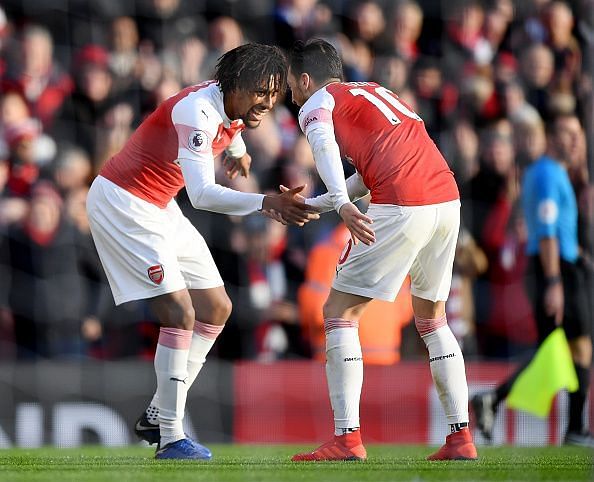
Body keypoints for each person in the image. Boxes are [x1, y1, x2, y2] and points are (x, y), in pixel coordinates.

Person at [85, 43, 319, 460]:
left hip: (159, 204)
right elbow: (203, 195)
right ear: (234, 85)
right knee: (179, 312)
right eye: (260, 92)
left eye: (273, 94)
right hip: (124, 202)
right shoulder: (196, 112)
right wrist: (266, 202)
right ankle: (172, 437)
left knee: (216, 308)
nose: (267, 103)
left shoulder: (232, 106)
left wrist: (238, 153)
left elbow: (231, 130)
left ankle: (158, 412)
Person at [283, 39, 477, 461]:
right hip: (446, 199)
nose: (291, 96)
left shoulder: (317, 102)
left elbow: (323, 148)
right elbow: (372, 170)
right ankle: (460, 437)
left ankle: (346, 439)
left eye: (291, 86)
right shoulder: (374, 92)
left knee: (338, 312)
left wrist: (339, 203)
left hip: (404, 202)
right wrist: (319, 203)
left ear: (304, 79)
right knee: (432, 318)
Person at [472, 113, 593, 447]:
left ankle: (494, 400)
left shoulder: (552, 173)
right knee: (578, 346)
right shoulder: (548, 174)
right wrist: (555, 281)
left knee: (555, 350)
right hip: (558, 270)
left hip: (561, 267)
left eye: (578, 134)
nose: (575, 140)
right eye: (568, 133)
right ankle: (576, 430)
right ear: (551, 138)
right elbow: (548, 231)